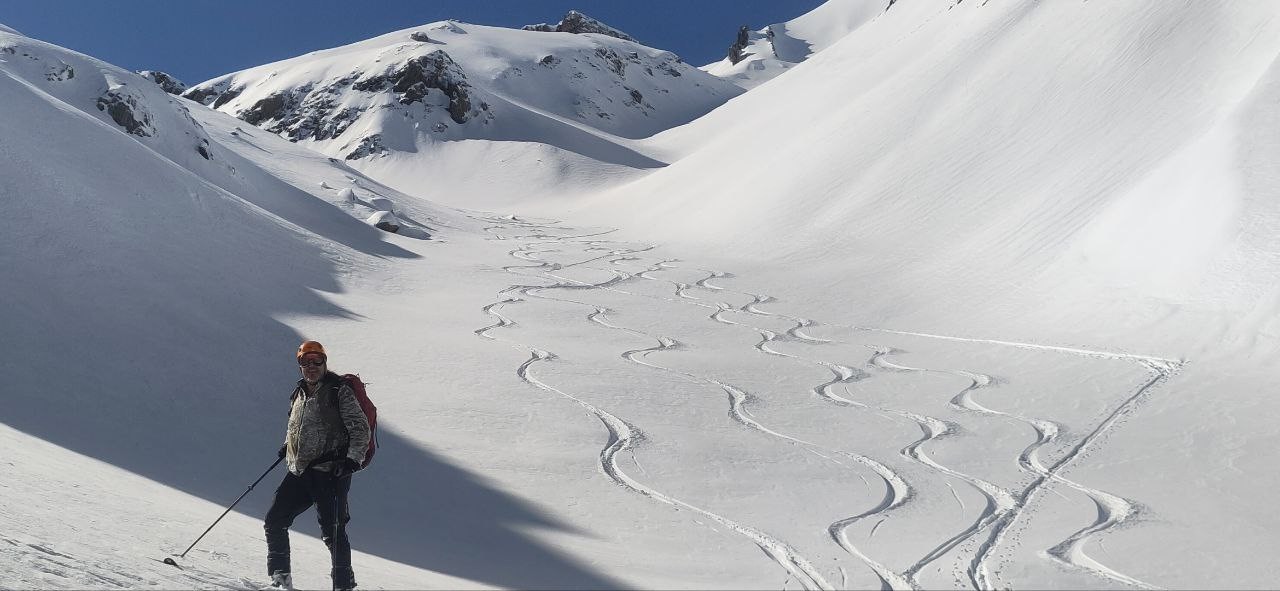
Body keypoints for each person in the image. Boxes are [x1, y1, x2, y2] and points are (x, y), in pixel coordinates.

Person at [264, 340, 371, 590]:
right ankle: (280, 578)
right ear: (299, 365)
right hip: (300, 470)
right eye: (305, 362)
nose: (311, 366)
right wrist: (287, 446)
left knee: (332, 533)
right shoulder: (299, 391)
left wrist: (351, 461)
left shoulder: (338, 391)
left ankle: (343, 585)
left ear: (324, 362)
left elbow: (360, 429)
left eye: (316, 361)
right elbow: (297, 425)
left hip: (332, 473)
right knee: (275, 520)